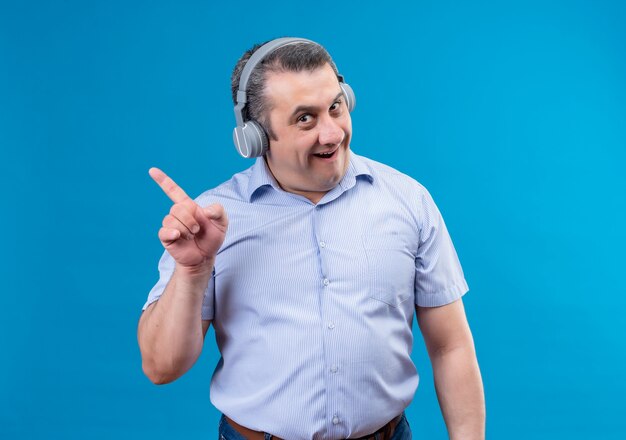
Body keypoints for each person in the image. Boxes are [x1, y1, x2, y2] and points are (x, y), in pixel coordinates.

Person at [138, 37, 485, 440]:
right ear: (254, 137)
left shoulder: (409, 200)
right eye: (305, 119)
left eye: (336, 107)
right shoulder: (210, 220)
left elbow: (451, 347)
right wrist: (193, 271)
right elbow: (161, 367)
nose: (331, 133)